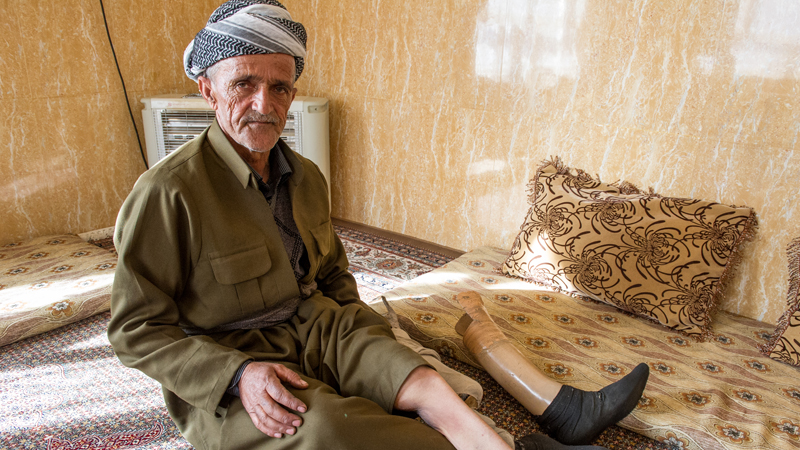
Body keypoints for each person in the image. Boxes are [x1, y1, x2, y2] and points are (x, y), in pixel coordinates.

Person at [107, 1, 645, 449]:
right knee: (326, 429)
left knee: (420, 380)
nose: (263, 104)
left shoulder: (307, 177)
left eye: (280, 88)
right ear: (207, 89)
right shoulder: (166, 193)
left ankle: (506, 429)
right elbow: (134, 330)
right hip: (231, 355)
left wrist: (367, 340)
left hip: (315, 324)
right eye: (243, 84)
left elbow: (334, 274)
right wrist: (237, 377)